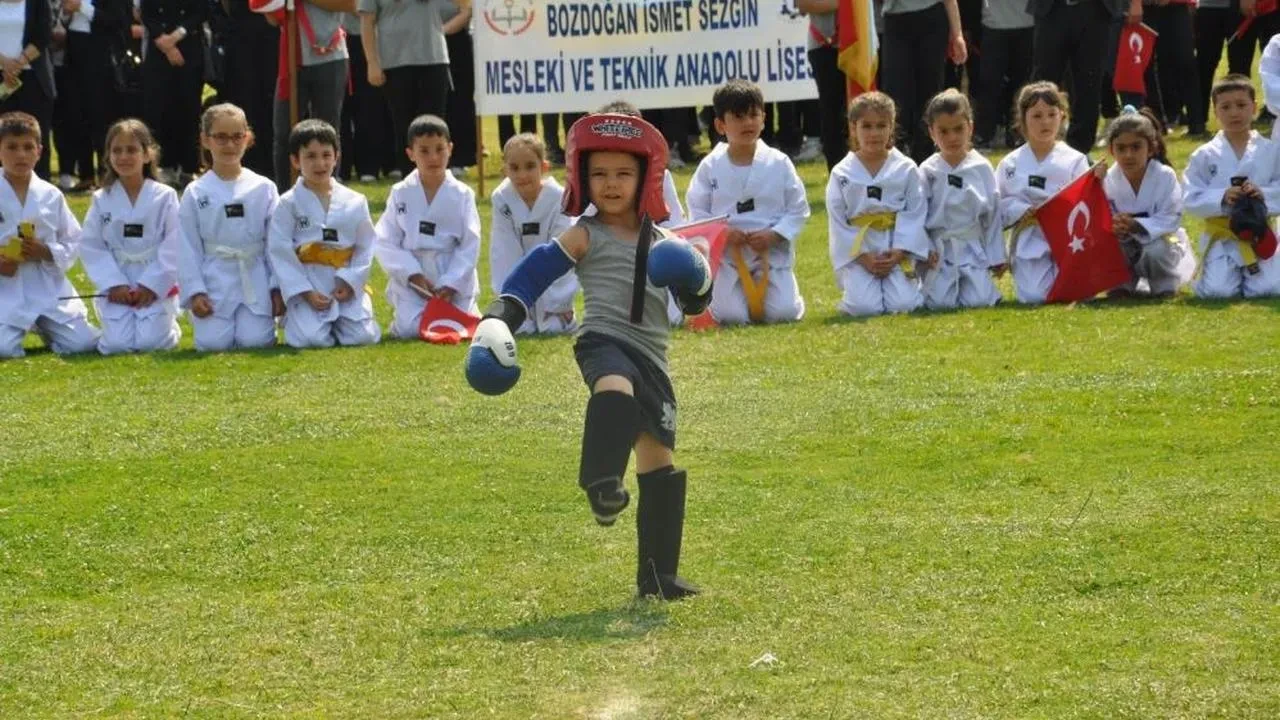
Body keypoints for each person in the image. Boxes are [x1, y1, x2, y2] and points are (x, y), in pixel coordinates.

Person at [464, 112, 714, 600]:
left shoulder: (666, 242)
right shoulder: (585, 233)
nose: (611, 184)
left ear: (645, 177)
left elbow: (695, 305)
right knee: (615, 389)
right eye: (599, 173)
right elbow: (533, 273)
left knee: (658, 461)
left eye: (622, 173)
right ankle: (601, 483)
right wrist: (499, 317)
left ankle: (659, 577)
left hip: (653, 359)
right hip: (604, 341)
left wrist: (695, 281)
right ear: (582, 178)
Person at [686, 79, 810, 325]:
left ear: (764, 119)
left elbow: (798, 209)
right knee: (731, 317)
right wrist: (722, 234)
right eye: (738, 117)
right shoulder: (710, 166)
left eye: (754, 115)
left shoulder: (779, 163)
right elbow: (697, 211)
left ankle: (785, 294)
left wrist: (776, 234)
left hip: (770, 254)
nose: (748, 123)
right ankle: (724, 297)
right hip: (728, 257)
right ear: (720, 125)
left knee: (784, 313)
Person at [178, 103, 283, 352]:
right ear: (206, 140)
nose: (230, 145)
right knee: (211, 344)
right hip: (215, 278)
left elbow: (276, 242)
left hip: (254, 275)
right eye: (221, 137)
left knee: (257, 342)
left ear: (248, 138)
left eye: (237, 136)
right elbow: (187, 246)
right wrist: (195, 291)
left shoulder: (264, 188)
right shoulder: (196, 192)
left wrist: (276, 286)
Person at [267, 119, 381, 348]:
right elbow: (280, 250)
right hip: (309, 281)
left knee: (363, 337)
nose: (320, 163)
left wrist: (350, 282)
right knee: (311, 339)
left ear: (336, 157)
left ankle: (344, 321)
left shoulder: (355, 201)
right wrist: (304, 291)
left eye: (326, 155)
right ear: (295, 160)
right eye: (310, 156)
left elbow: (365, 246)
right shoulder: (288, 203)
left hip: (343, 280)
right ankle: (298, 318)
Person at [0, 111, 99, 357]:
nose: (21, 155)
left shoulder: (50, 195)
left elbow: (73, 239)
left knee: (82, 344)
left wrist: (45, 251)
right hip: (5, 285)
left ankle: (47, 327)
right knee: (3, 348)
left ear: (39, 151)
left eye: (28, 147)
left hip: (46, 285)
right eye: (12, 147)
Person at [78, 118, 181, 354]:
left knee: (149, 343)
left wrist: (152, 284)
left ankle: (170, 327)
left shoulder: (165, 196)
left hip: (154, 280)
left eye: (132, 150)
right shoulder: (101, 199)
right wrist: (114, 283)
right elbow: (92, 246)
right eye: (117, 150)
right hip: (118, 281)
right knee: (116, 345)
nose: (124, 157)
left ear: (147, 154)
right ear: (108, 156)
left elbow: (174, 243)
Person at [373, 114, 480, 339]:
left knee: (461, 326)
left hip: (452, 274)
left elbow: (470, 244)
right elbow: (384, 240)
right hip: (414, 278)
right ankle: (404, 316)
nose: (433, 157)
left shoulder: (462, 194)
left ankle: (459, 304)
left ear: (450, 149)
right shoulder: (401, 192)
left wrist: (451, 283)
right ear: (410, 153)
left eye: (440, 149)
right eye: (424, 151)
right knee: (411, 329)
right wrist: (412, 274)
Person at [826, 91, 929, 316]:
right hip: (859, 251)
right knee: (863, 307)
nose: (874, 133)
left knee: (903, 305)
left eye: (881, 126)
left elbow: (915, 212)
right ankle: (857, 285)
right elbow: (838, 221)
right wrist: (863, 257)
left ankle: (907, 283)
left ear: (891, 126)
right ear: (853, 128)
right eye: (867, 126)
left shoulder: (906, 168)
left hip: (896, 247)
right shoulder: (841, 173)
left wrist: (899, 252)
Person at [1183, 76, 1280, 299]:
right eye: (1225, 107)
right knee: (1217, 292)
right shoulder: (1204, 155)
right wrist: (1221, 197)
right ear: (1215, 112)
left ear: (1254, 107)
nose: (1234, 113)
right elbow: (1190, 196)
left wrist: (1263, 195)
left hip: (1259, 233)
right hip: (1222, 235)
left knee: (1268, 289)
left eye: (1241, 105)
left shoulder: (1271, 151)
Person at [997, 81, 1090, 305]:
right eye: (1037, 116)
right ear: (1023, 120)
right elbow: (998, 203)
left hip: (1067, 236)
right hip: (1029, 236)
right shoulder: (1010, 164)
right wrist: (1021, 210)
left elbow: (1086, 202)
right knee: (1034, 296)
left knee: (1073, 291)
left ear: (1062, 116)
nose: (1045, 122)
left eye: (1051, 114)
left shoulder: (1075, 160)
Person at [919, 89, 1005, 310]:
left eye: (958, 129)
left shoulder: (981, 167)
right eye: (943, 131)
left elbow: (993, 215)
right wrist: (925, 248)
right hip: (939, 250)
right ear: (931, 132)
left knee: (980, 301)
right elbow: (917, 214)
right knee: (939, 303)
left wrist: (996, 256)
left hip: (972, 248)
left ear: (970, 127)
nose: (952, 138)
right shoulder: (927, 170)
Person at [488, 132, 577, 334]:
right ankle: (518, 308)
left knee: (553, 327)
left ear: (544, 166)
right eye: (514, 168)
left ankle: (557, 312)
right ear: (505, 170)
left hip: (553, 293)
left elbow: (562, 251)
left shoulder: (560, 198)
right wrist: (514, 301)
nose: (522, 175)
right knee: (519, 327)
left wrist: (557, 303)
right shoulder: (501, 198)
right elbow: (504, 252)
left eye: (529, 166)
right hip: (520, 290)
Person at [1100, 108, 1195, 297]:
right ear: (1111, 150)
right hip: (1124, 242)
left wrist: (1137, 225)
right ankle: (1122, 285)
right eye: (1121, 148)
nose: (1128, 155)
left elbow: (1171, 217)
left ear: (1151, 149)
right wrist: (1114, 224)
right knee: (1112, 245)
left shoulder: (1165, 176)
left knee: (1155, 249)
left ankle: (1164, 285)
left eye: (1136, 147)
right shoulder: (1106, 179)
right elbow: (1098, 215)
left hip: (1162, 243)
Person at [358, 0, 450, 176]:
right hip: (395, 61)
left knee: (435, 125)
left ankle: (436, 176)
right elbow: (367, 20)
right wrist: (372, 62)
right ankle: (409, 178)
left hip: (434, 58)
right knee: (404, 126)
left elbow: (461, 5)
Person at [268, 0, 352, 192]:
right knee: (284, 132)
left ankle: (328, 192)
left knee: (328, 130)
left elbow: (351, 4)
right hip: (291, 57)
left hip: (330, 56)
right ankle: (285, 195)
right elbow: (272, 17)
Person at [1027, 0, 1127, 154]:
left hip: (1095, 9)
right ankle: (1039, 141)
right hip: (1051, 9)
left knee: (1090, 81)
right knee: (1043, 82)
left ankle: (1080, 149)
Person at [879, 0, 967, 162]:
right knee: (896, 94)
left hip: (931, 16)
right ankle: (896, 157)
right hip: (894, 19)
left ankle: (926, 157)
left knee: (930, 94)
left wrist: (958, 35)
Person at [140, 0, 207, 185]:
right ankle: (164, 165)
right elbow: (147, 14)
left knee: (189, 109)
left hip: (189, 50)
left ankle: (189, 167)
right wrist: (164, 42)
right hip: (158, 51)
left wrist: (177, 36)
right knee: (160, 109)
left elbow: (201, 11)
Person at [0, 0, 55, 178]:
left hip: (34, 79)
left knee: (36, 134)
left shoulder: (38, 3)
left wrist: (19, 62)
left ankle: (39, 183)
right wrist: (4, 63)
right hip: (3, 76)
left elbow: (43, 34)